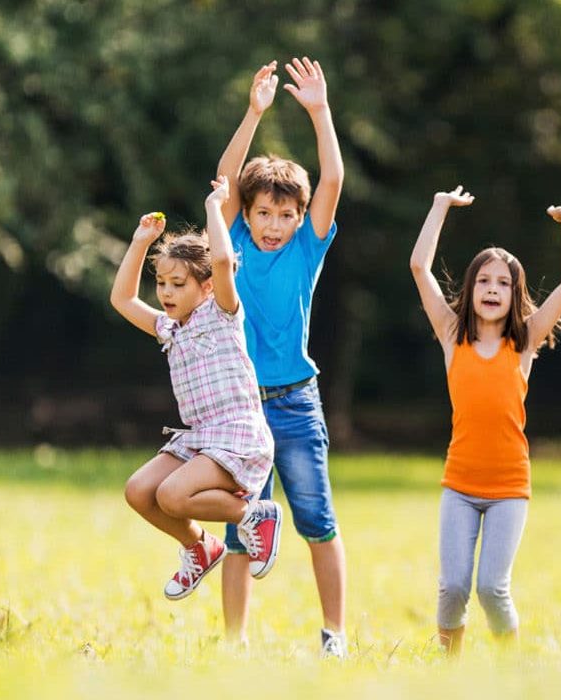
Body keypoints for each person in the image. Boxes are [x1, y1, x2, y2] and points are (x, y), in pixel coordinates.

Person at [408, 184, 561, 655]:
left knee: (491, 587)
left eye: (503, 283)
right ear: (470, 289)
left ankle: (510, 669)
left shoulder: (523, 343)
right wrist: (439, 206)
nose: (492, 289)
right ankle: (449, 671)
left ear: (515, 294)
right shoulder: (451, 334)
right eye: (484, 280)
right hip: (459, 485)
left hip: (509, 488)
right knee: (452, 588)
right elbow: (420, 267)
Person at [212, 58, 348, 656]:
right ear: (247, 216)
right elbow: (226, 182)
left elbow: (333, 181)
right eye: (263, 213)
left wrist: (319, 112)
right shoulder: (235, 240)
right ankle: (233, 642)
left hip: (295, 403)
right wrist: (254, 112)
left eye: (286, 215)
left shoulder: (306, 249)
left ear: (301, 218)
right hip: (242, 410)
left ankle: (335, 635)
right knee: (240, 529)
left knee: (317, 519)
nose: (273, 224)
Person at [110, 181, 282, 604]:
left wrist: (214, 205)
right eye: (163, 283)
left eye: (178, 284)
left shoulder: (222, 315)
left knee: (172, 495)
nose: (166, 292)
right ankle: (200, 546)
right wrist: (139, 242)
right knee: (139, 491)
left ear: (204, 288)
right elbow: (122, 298)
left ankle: (253, 514)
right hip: (200, 437)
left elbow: (222, 259)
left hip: (238, 434)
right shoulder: (169, 329)